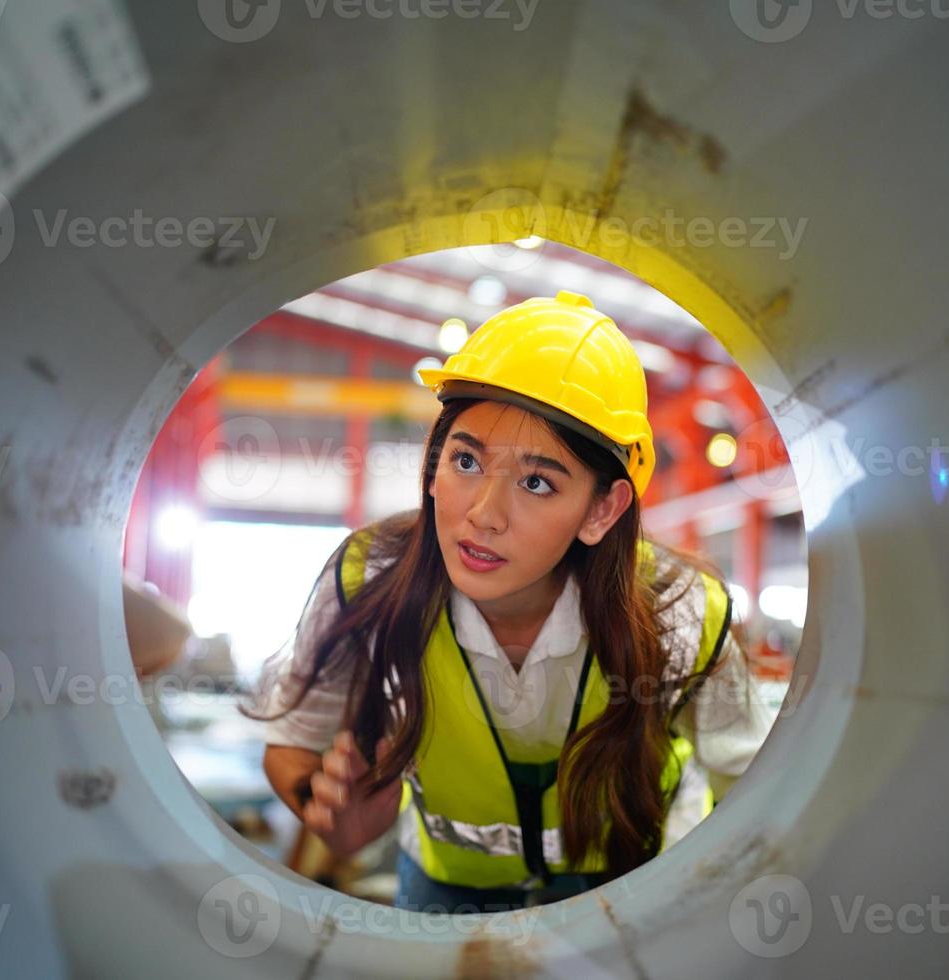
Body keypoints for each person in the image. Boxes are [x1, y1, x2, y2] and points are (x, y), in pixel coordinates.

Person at [247, 290, 777, 913]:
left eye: (535, 482)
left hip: (638, 887)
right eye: (466, 460)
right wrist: (331, 818)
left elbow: (758, 789)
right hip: (450, 890)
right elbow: (293, 739)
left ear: (601, 509)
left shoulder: (681, 611)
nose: (482, 515)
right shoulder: (368, 579)